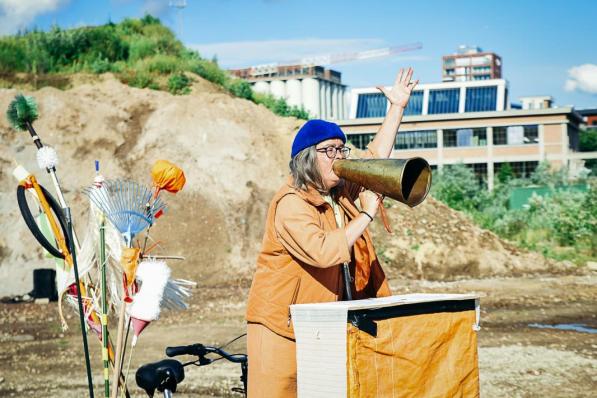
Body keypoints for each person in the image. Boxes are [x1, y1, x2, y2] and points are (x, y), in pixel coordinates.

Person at [245, 68, 419, 397]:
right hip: (280, 328)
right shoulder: (290, 204)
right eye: (330, 151)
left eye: (342, 149)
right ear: (307, 159)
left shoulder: (337, 192)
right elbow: (324, 251)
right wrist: (367, 212)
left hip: (317, 324)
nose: (339, 157)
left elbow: (376, 162)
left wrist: (396, 107)